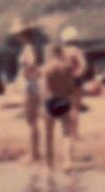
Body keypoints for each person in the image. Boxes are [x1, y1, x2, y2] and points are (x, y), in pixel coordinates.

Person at [42, 41, 81, 171]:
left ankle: (48, 166)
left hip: (51, 101)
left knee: (49, 135)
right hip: (64, 101)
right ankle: (68, 162)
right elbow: (71, 87)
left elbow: (45, 89)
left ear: (51, 53)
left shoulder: (47, 68)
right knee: (66, 134)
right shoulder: (67, 67)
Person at [13, 20, 42, 161]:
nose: (17, 37)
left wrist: (25, 75)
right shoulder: (29, 47)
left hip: (29, 86)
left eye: (18, 34)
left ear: (22, 35)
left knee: (31, 121)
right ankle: (34, 153)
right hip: (32, 85)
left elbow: (31, 63)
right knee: (32, 121)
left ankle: (33, 155)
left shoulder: (27, 48)